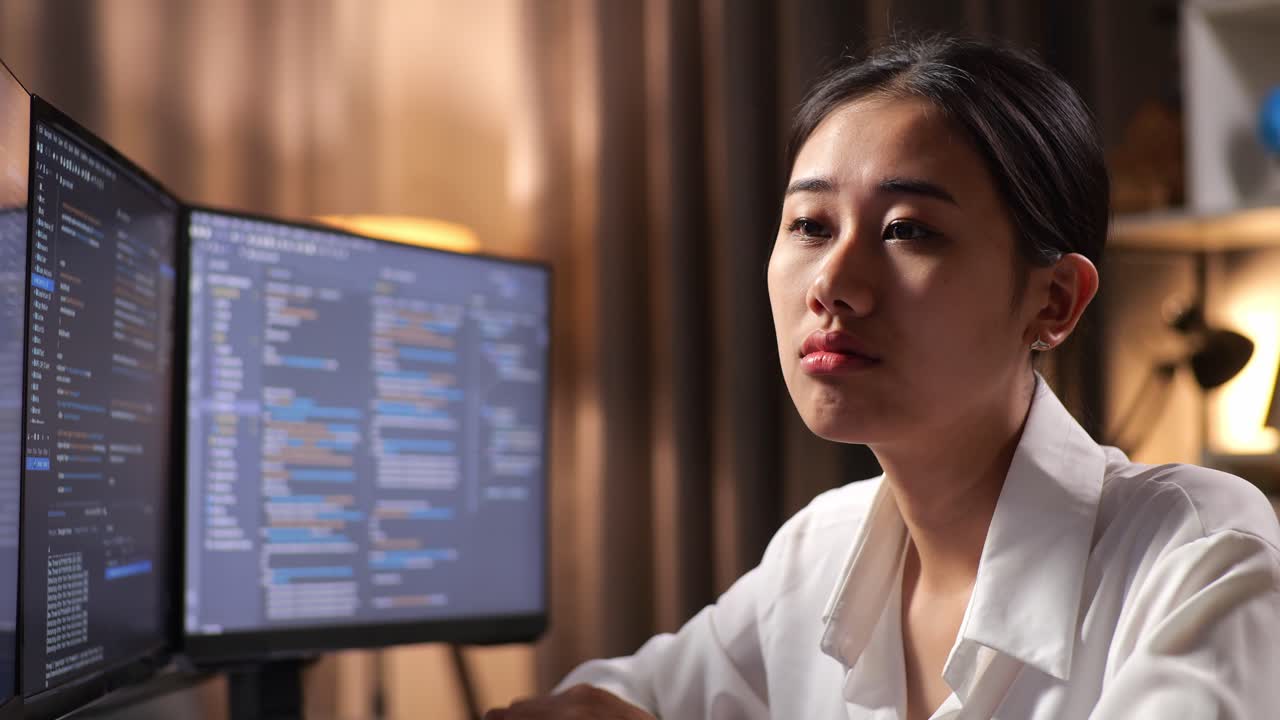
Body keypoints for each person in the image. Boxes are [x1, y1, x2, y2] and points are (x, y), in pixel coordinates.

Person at [485, 35, 1280, 719]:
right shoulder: (816, 554)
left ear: (1055, 299)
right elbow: (611, 700)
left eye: (908, 230)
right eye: (810, 225)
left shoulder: (1200, 553)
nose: (833, 282)